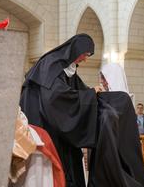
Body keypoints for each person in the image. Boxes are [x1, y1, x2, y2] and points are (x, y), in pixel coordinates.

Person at [20, 33, 102, 187]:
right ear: (76, 50)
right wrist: (90, 95)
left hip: (56, 125)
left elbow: (78, 90)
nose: (85, 59)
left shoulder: (68, 68)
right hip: (43, 124)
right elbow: (55, 98)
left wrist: (93, 94)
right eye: (85, 54)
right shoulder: (51, 64)